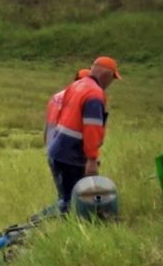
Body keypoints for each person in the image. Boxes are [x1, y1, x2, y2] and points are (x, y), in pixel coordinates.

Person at [46, 56, 121, 215]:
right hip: (71, 156)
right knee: (75, 203)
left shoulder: (76, 85)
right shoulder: (95, 94)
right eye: (112, 78)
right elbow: (92, 128)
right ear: (107, 75)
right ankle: (69, 233)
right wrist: (92, 159)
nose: (111, 83)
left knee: (65, 198)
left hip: (57, 151)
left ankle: (62, 225)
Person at [44, 68, 90, 147]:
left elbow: (47, 123)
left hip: (51, 143)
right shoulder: (79, 98)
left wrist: (46, 140)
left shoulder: (56, 97)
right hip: (67, 147)